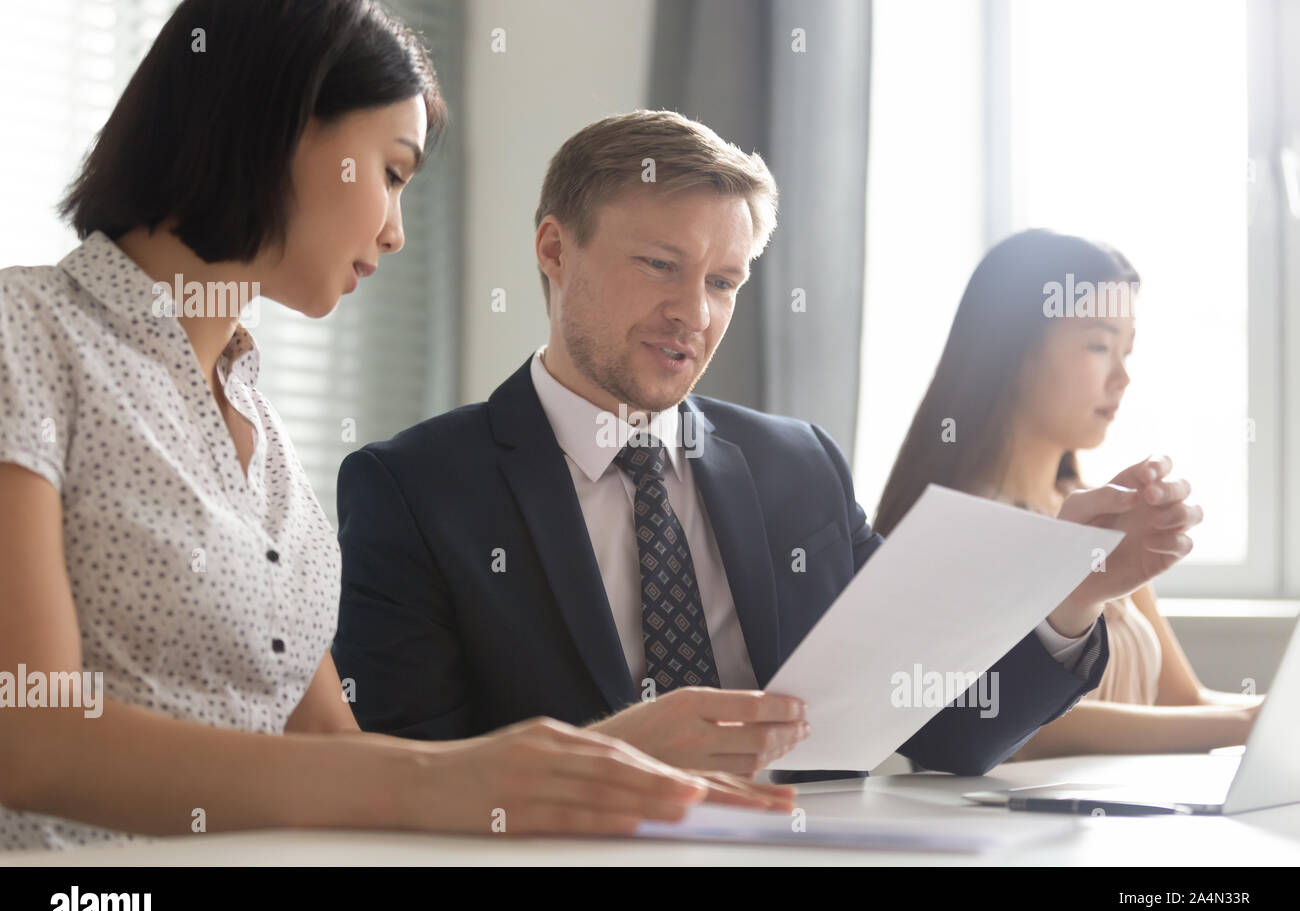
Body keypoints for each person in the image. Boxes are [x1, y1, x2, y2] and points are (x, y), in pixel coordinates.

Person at [0, 0, 793, 854]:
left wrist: (604, 757)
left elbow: (331, 757)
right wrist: (443, 779)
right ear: (279, 126)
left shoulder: (257, 423)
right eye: (390, 170)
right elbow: (29, 738)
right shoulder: (27, 335)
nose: (396, 230)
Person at [331, 110, 1203, 780]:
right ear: (554, 249)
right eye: (661, 266)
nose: (694, 314)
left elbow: (948, 730)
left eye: (724, 281)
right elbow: (407, 781)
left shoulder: (799, 467)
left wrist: (1074, 590)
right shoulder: (413, 491)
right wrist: (613, 753)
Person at [874, 229, 1261, 760]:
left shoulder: (1099, 514)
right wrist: (1245, 722)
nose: (1123, 375)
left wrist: (1265, 716)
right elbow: (1014, 726)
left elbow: (1183, 700)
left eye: (1128, 350)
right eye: (1100, 345)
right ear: (1013, 350)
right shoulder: (955, 526)